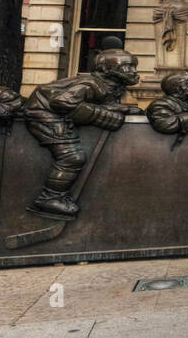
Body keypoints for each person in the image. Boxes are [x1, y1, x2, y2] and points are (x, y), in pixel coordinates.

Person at [22, 48, 140, 219]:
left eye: (134, 66)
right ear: (106, 69)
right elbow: (62, 103)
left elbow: (100, 103)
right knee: (72, 157)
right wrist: (103, 116)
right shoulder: (90, 84)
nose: (133, 71)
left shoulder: (109, 86)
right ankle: (49, 198)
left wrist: (122, 109)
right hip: (43, 114)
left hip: (54, 113)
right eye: (126, 67)